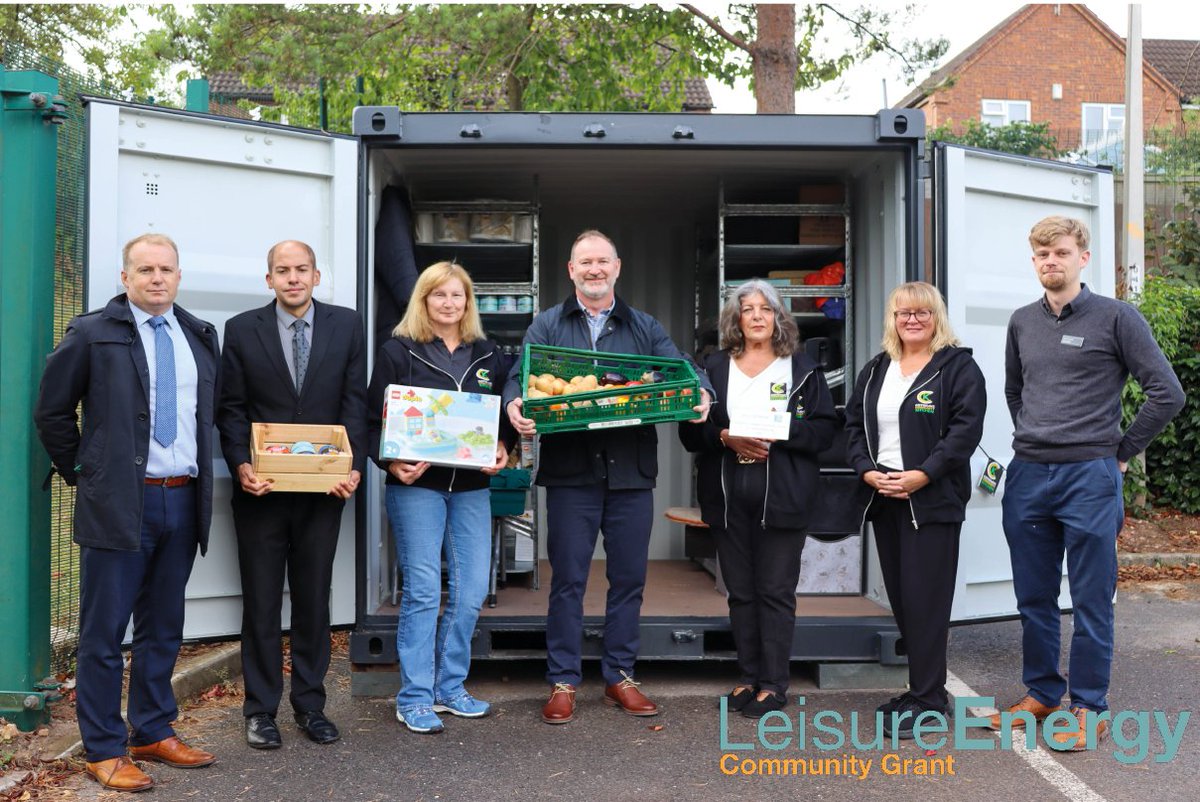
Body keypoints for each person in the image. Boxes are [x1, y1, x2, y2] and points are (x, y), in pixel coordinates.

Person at [987, 216, 1184, 749]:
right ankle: (1042, 692)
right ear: (1034, 261)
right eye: (1042, 254)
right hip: (1028, 473)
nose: (1051, 261)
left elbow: (1168, 393)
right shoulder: (1022, 321)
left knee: (1093, 600)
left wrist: (1119, 455)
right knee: (1033, 597)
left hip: (1089, 477)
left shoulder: (1117, 318)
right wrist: (1033, 433)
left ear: (1083, 258)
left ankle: (1089, 705)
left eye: (1061, 252)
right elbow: (1014, 391)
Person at [34, 233, 220, 792]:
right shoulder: (93, 333)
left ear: (179, 275)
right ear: (125, 277)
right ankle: (104, 747)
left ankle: (153, 730)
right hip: (120, 502)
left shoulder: (199, 335)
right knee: (103, 632)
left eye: (165, 268)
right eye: (144, 269)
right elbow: (53, 414)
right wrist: (88, 475)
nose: (156, 278)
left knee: (164, 626)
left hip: (182, 498)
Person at [503, 230, 712, 724]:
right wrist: (514, 401)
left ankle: (620, 676)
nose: (594, 270)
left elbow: (682, 368)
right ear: (570, 271)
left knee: (628, 579)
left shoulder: (642, 326)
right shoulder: (548, 324)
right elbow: (520, 374)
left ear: (617, 268)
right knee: (569, 580)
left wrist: (700, 393)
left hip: (629, 473)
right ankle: (563, 681)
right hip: (572, 472)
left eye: (602, 262)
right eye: (585, 263)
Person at [217, 240, 368, 749]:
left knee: (312, 602)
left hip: (324, 492)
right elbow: (231, 408)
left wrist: (351, 468)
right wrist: (241, 464)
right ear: (269, 280)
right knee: (260, 603)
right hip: (262, 493)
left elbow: (355, 403)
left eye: (301, 269)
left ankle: (310, 706)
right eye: (282, 271)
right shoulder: (240, 331)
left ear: (316, 275)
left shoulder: (347, 325)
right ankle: (259, 712)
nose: (293, 278)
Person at [367, 262, 515, 734]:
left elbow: (505, 421)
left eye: (458, 296)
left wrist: (503, 448)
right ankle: (413, 697)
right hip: (417, 487)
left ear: (468, 303)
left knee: (472, 591)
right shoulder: (398, 352)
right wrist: (390, 462)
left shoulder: (490, 355)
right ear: (423, 300)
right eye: (439, 295)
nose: (449, 303)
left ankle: (449, 688)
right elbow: (372, 422)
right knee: (424, 591)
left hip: (471, 486)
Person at [678, 280, 837, 718]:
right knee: (740, 594)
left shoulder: (801, 368)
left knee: (775, 592)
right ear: (736, 319)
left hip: (782, 497)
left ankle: (773, 684)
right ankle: (747, 677)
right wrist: (724, 435)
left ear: (779, 317)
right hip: (729, 497)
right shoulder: (713, 367)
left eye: (765, 309)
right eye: (747, 309)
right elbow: (690, 431)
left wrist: (779, 429)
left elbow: (825, 431)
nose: (756, 316)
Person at [844, 281, 986, 739]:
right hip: (884, 498)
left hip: (931, 502)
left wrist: (923, 474)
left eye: (922, 312)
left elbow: (964, 433)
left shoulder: (957, 368)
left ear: (936, 317)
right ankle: (922, 688)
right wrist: (867, 471)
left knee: (927, 601)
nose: (912, 320)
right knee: (904, 600)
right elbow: (852, 427)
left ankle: (929, 701)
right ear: (893, 319)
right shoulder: (876, 369)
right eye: (903, 313)